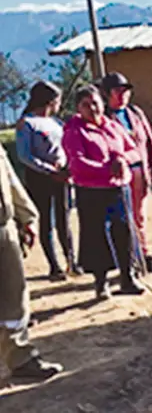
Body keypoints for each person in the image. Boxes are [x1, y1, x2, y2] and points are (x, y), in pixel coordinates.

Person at [62, 85, 145, 299]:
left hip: (119, 189)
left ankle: (128, 277)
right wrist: (107, 169)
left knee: (124, 231)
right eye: (86, 105)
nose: (93, 108)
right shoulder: (74, 131)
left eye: (96, 103)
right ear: (78, 109)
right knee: (97, 236)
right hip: (91, 192)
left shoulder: (112, 126)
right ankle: (101, 282)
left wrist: (122, 160)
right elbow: (77, 163)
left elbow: (134, 150)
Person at [0, 144, 63, 381]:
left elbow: (9, 178)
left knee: (15, 295)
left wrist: (27, 216)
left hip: (4, 230)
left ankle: (20, 358)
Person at [15, 81, 77, 280]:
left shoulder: (56, 123)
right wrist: (49, 170)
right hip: (40, 179)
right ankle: (54, 265)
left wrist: (66, 166)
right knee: (47, 221)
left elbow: (65, 146)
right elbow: (25, 155)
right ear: (50, 101)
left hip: (61, 177)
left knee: (64, 220)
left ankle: (71, 261)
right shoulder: (27, 124)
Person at [101, 72, 152, 273]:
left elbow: (149, 141)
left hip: (139, 171)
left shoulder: (135, 113)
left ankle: (142, 252)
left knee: (139, 214)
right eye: (118, 91)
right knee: (125, 216)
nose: (123, 95)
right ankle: (130, 256)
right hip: (120, 175)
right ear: (107, 94)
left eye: (125, 91)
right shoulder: (104, 118)